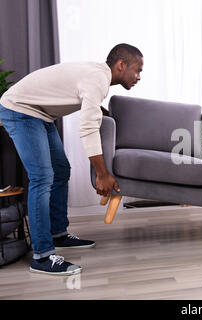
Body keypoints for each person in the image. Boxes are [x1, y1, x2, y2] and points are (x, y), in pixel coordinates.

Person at [0, 43, 143, 275]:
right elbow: (87, 128)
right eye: (137, 70)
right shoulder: (98, 79)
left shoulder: (97, 76)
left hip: (40, 114)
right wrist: (102, 174)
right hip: (20, 110)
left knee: (61, 170)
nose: (138, 77)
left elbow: (82, 97)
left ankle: (58, 233)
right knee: (42, 177)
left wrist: (96, 108)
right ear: (121, 65)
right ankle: (42, 256)